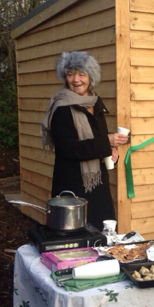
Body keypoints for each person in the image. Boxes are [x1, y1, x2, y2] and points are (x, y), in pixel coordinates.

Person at [41, 51, 128, 230]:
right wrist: (106, 142)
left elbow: (97, 137)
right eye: (70, 74)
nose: (76, 79)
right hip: (73, 185)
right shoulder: (61, 108)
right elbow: (69, 148)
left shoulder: (95, 102)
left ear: (91, 77)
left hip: (97, 183)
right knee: (76, 238)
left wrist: (111, 150)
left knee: (101, 234)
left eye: (82, 74)